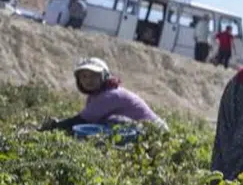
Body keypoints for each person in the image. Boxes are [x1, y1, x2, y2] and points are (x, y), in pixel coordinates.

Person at [38, 57, 166, 133]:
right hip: (144, 129)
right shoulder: (96, 96)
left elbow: (81, 120)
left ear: (104, 77)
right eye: (84, 76)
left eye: (94, 76)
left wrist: (56, 125)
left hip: (156, 131)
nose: (88, 80)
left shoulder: (110, 95)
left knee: (111, 123)